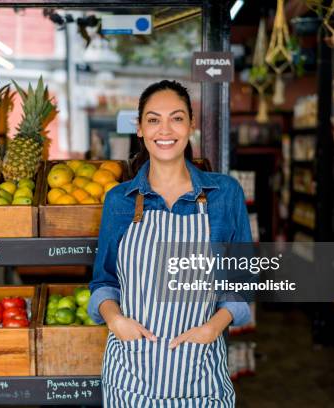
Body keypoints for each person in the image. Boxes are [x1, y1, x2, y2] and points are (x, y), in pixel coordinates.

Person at [88, 80, 252, 407]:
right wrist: (114, 319)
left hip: (200, 376)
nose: (165, 129)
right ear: (140, 129)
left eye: (176, 118)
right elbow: (104, 281)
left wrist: (212, 328)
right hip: (130, 379)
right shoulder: (119, 200)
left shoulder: (225, 194)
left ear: (192, 125)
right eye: (153, 119)